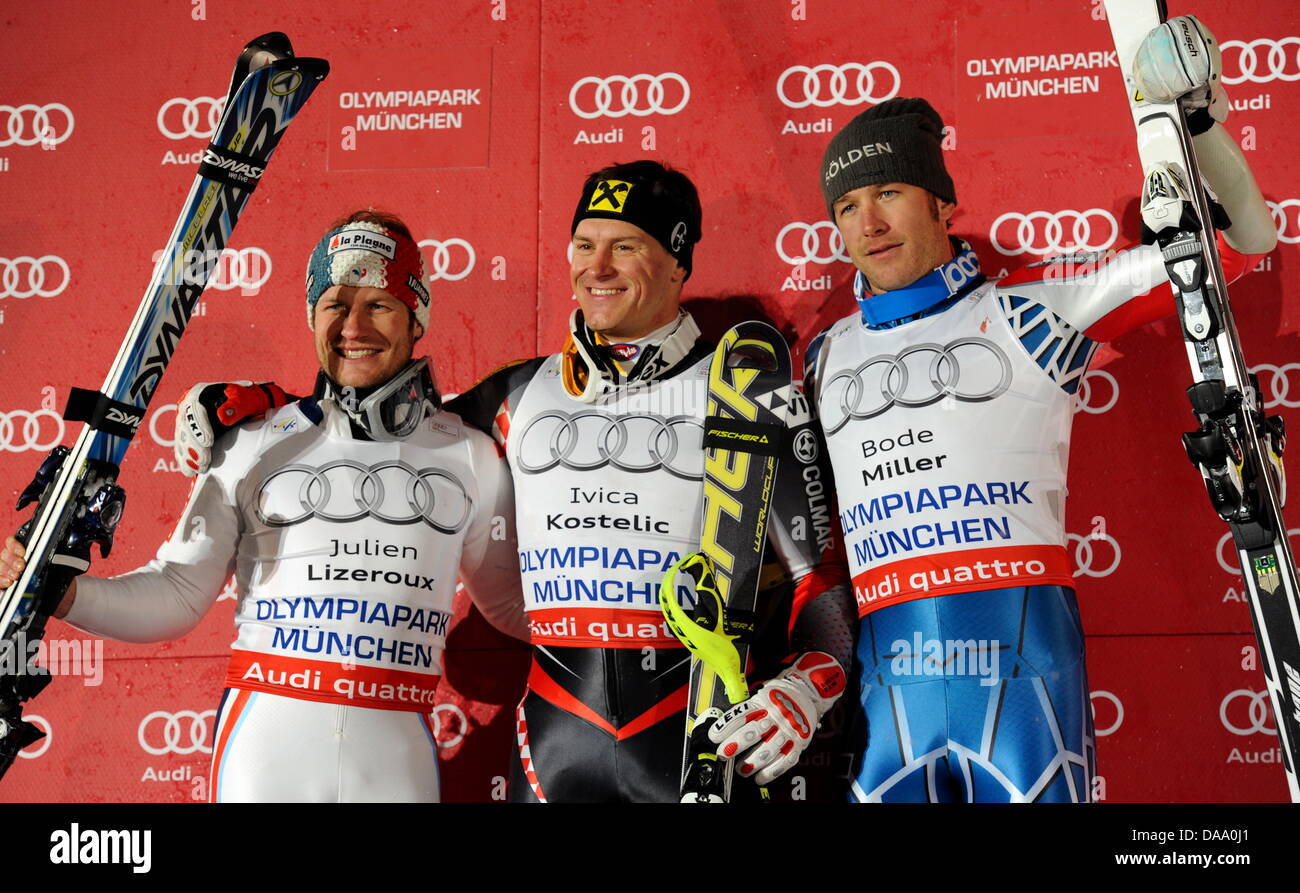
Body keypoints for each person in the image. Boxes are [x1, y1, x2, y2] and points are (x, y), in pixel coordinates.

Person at [171, 162, 858, 802]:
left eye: (625, 246)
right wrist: (253, 406)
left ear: (678, 260)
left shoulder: (749, 388)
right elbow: (375, 435)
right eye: (584, 244)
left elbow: (818, 578)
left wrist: (807, 685)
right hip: (552, 750)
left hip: (699, 740)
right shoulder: (515, 394)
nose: (598, 267)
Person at [804, 17, 1277, 803]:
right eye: (848, 205)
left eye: (889, 191)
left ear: (942, 202)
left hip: (1023, 675)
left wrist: (1199, 125)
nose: (869, 223)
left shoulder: (1032, 312)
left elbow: (1241, 244)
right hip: (887, 693)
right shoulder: (821, 358)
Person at [0, 210, 528, 803]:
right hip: (267, 749)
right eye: (334, 304)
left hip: (396, 754)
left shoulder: (470, 456)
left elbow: (512, 606)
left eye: (378, 303)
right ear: (311, 316)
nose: (353, 325)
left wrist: (629, 610)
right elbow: (176, 593)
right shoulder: (251, 439)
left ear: (416, 316)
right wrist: (65, 594)